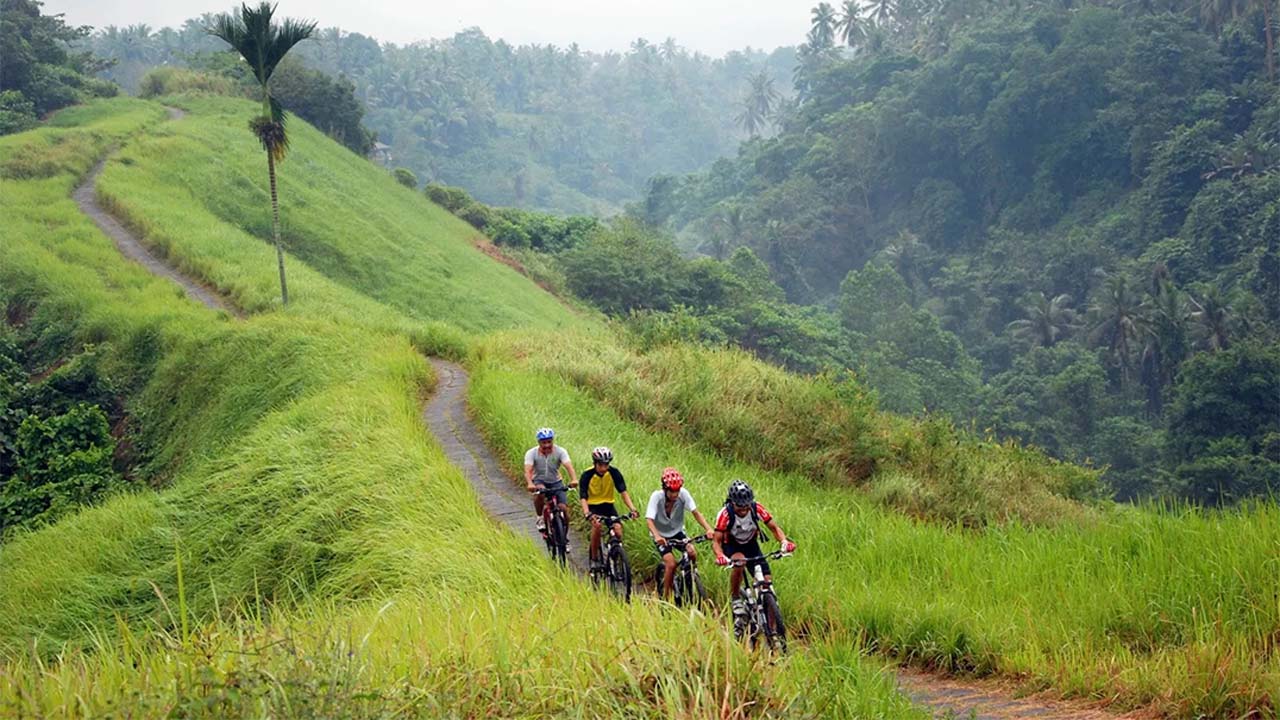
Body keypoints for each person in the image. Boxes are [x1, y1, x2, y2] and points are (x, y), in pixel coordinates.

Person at [712, 480, 796, 628]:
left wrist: (784, 542)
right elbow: (716, 541)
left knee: (767, 584)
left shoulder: (757, 509)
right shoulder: (725, 514)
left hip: (751, 544)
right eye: (740, 506)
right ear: (732, 502)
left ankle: (771, 628)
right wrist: (720, 556)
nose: (744, 509)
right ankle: (736, 598)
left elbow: (774, 528)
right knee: (740, 562)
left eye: (746, 505)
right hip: (732, 545)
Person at [646, 467, 715, 599]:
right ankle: (666, 596)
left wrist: (708, 529)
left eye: (677, 491)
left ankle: (691, 576)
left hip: (677, 532)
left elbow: (696, 513)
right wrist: (657, 536)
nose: (675, 494)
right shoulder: (656, 497)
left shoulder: (683, 494)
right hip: (660, 534)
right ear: (665, 489)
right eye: (671, 491)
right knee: (670, 563)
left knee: (692, 552)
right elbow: (649, 520)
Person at [578, 446, 639, 571]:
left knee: (618, 531)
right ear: (595, 463)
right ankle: (594, 559)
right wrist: (587, 513)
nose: (603, 468)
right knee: (597, 526)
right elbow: (583, 496)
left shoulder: (614, 473)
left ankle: (615, 555)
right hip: (593, 506)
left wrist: (632, 509)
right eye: (600, 465)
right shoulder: (587, 475)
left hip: (608, 506)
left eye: (606, 465)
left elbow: (623, 492)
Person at [524, 428, 577, 537]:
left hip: (556, 481)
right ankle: (540, 518)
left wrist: (574, 479)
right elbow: (528, 470)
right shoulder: (531, 453)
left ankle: (564, 538)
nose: (547, 445)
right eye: (544, 442)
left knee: (564, 510)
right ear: (539, 442)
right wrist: (530, 483)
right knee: (540, 493)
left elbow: (568, 466)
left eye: (549, 442)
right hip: (539, 480)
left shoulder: (560, 451)